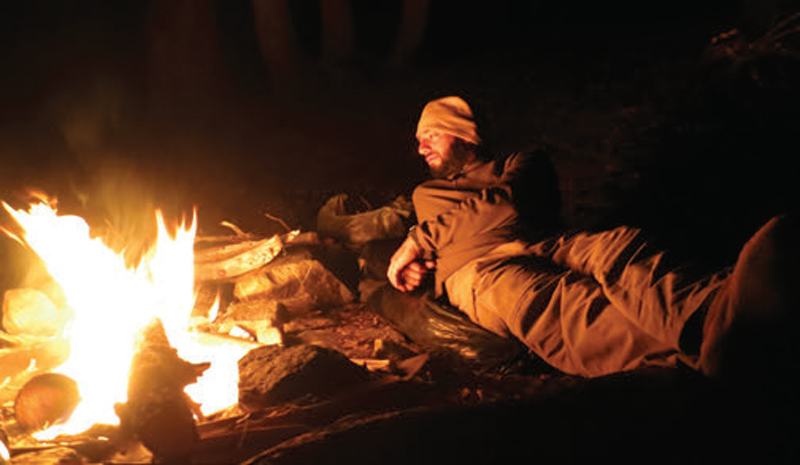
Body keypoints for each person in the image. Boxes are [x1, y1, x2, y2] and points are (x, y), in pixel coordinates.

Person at [386, 95, 798, 378]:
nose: (420, 146)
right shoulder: (428, 194)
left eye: (431, 135)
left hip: (553, 242)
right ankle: (698, 353)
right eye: (419, 140)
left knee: (621, 249)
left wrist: (421, 240)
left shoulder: (525, 160)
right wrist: (424, 253)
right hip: (481, 269)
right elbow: (469, 229)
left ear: (464, 133)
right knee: (557, 304)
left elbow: (508, 203)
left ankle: (718, 312)